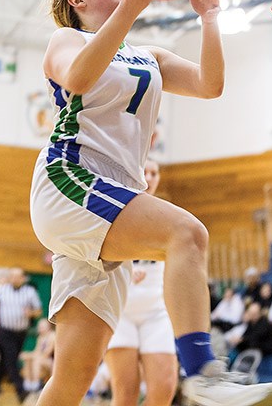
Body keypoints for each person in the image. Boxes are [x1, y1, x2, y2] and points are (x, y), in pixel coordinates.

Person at [29, 0, 272, 406]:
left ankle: (202, 373)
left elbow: (211, 85)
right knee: (187, 233)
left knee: (73, 379)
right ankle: (205, 373)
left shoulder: (150, 56)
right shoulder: (66, 40)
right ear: (76, 1)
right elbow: (80, 80)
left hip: (114, 196)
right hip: (71, 179)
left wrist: (209, 18)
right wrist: (130, 8)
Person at [105, 159, 178, 406]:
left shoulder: (167, 214)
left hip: (156, 311)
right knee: (126, 392)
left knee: (165, 389)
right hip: (121, 310)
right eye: (144, 171)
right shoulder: (112, 208)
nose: (149, 176)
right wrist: (122, 269)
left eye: (154, 172)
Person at [0, 267, 43, 401]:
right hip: (5, 331)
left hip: (21, 332)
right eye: (12, 276)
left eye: (17, 276)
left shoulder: (30, 292)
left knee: (5, 360)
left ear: (23, 278)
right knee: (11, 360)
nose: (14, 278)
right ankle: (21, 390)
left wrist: (31, 313)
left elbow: (39, 311)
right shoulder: (2, 290)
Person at [20, 318, 56, 395]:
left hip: (53, 363)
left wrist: (30, 355)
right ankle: (28, 383)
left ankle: (37, 384)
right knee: (28, 359)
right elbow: (37, 351)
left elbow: (47, 354)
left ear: (48, 327)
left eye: (42, 327)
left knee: (36, 360)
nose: (39, 329)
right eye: (39, 327)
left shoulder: (52, 336)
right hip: (42, 359)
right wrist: (28, 355)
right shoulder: (41, 337)